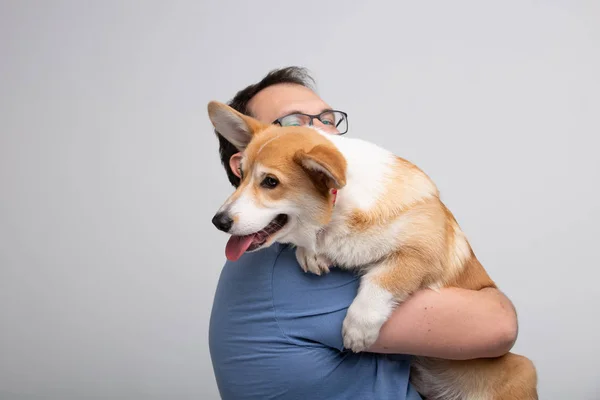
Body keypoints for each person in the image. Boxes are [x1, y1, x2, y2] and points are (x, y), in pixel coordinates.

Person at [208, 66, 518, 399]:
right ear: (243, 158)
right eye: (293, 123)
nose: (321, 132)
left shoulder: (321, 235)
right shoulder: (286, 276)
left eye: (326, 119)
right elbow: (498, 325)